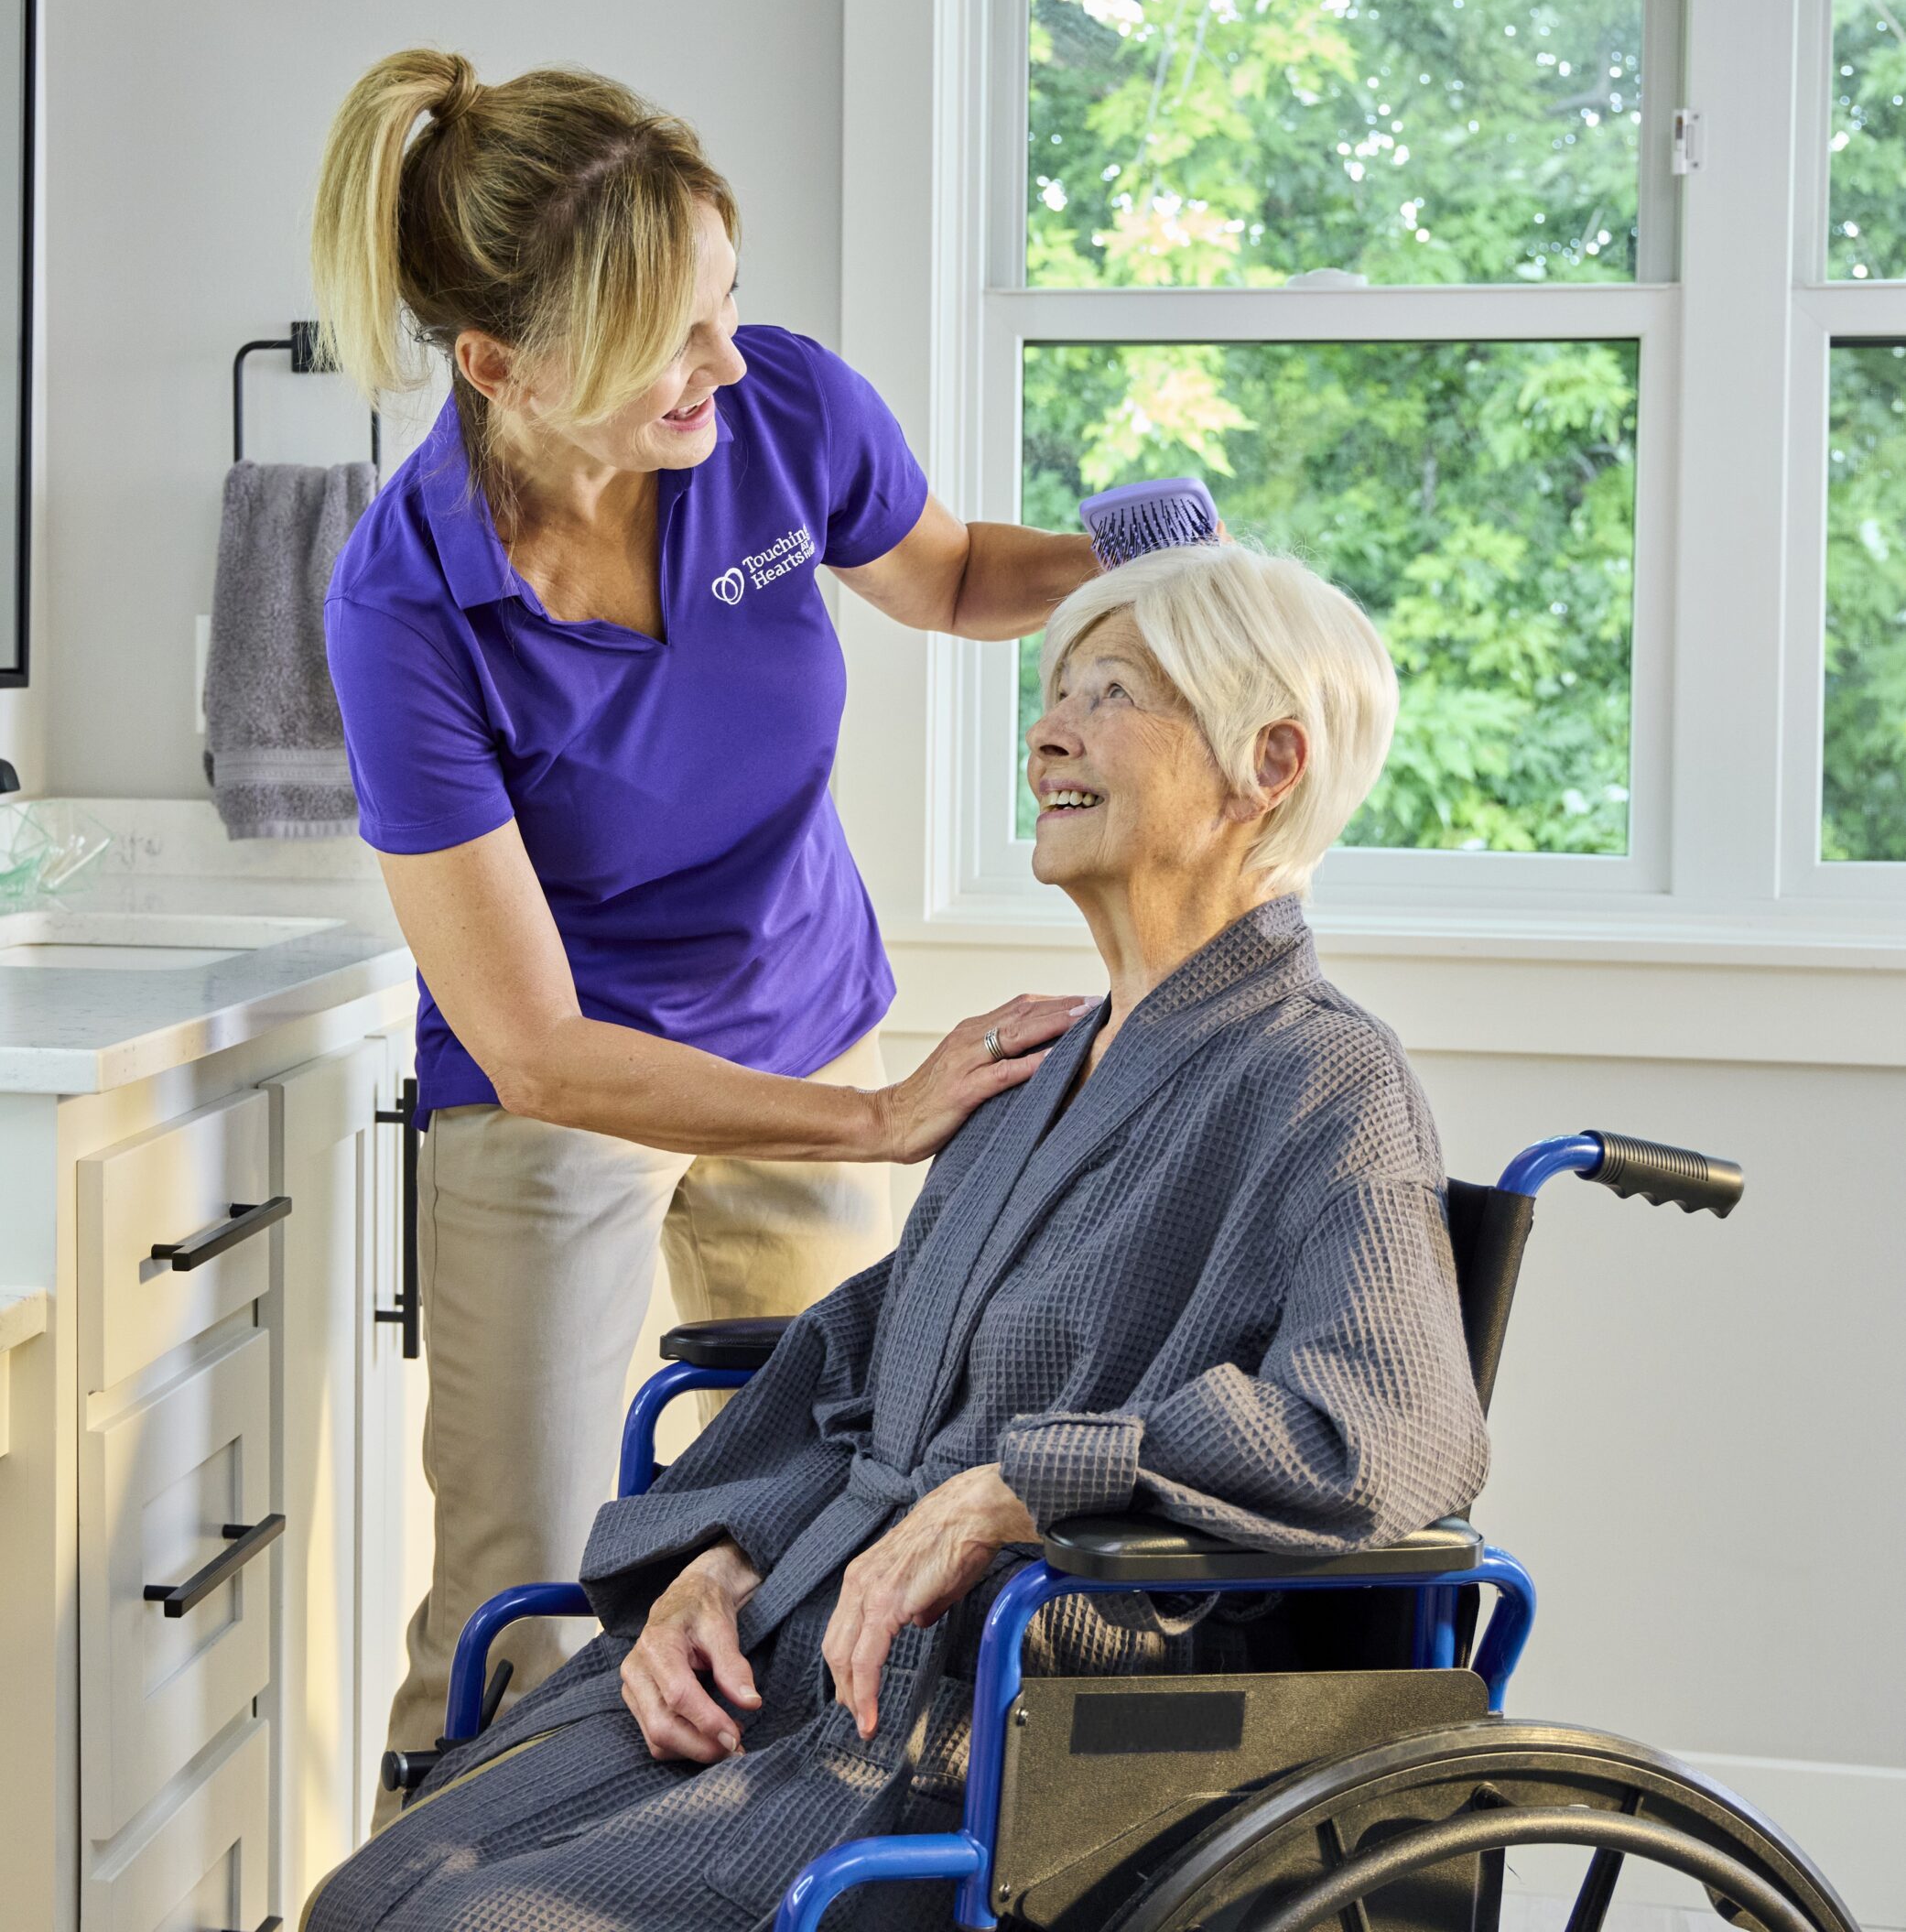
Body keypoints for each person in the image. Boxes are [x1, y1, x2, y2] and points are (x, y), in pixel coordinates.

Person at [305, 542, 1492, 1932]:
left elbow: (1394, 1432)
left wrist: (1010, 1489)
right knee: (369, 1893)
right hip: (790, 1654)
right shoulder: (1040, 1066)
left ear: (1267, 763)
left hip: (984, 1733)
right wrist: (718, 1560)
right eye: (1053, 689)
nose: (1047, 729)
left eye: (1110, 694)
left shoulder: (1322, 1081)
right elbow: (856, 1368)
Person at [310, 49, 1099, 1792]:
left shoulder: (780, 413)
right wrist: (885, 1121)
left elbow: (954, 575)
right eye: (671, 334)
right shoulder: (402, 605)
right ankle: (438, 1886)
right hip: (561, 1107)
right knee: (524, 1597)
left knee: (810, 1537)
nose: (724, 362)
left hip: (799, 1013)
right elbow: (534, 1044)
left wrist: (1135, 555)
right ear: (503, 366)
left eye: (724, 302)